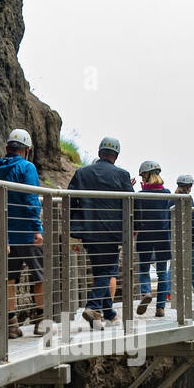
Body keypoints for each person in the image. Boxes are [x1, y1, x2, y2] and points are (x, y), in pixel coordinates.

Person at [0, 129, 45, 338]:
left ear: (6, 148)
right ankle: (41, 322)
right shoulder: (27, 167)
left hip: (4, 234)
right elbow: (31, 198)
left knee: (8, 279)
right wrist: (37, 228)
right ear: (27, 150)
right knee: (40, 277)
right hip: (28, 233)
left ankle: (11, 323)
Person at [68, 136, 133, 327]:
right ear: (116, 155)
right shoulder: (122, 175)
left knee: (101, 271)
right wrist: (134, 226)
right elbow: (131, 203)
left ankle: (108, 314)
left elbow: (70, 201)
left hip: (88, 231)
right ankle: (93, 306)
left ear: (99, 153)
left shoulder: (82, 173)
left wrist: (75, 229)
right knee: (108, 270)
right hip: (112, 233)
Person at [134, 161, 173, 319]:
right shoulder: (168, 193)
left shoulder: (140, 195)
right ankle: (161, 308)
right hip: (163, 235)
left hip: (145, 235)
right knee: (162, 273)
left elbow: (137, 216)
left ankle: (146, 292)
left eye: (143, 176)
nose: (142, 179)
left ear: (147, 175)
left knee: (143, 268)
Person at [165, 173, 194, 300]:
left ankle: (168, 293)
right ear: (189, 186)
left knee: (173, 266)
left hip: (173, 236)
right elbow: (192, 219)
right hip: (187, 237)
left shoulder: (171, 197)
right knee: (193, 265)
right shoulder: (188, 198)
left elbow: (166, 218)